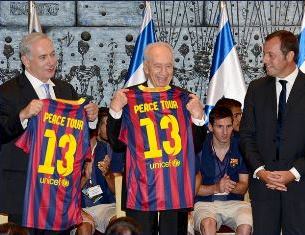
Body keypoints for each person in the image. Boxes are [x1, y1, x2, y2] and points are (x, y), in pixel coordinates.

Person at [0, 32, 98, 233]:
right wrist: (23, 115)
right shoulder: (7, 92)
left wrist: (91, 118)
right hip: (25, 190)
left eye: (53, 55)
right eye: (43, 57)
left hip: (60, 189)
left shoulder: (65, 89)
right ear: (26, 61)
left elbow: (78, 133)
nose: (51, 62)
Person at [107, 42, 207, 235]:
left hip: (174, 187)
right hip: (140, 188)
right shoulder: (128, 97)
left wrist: (198, 118)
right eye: (157, 66)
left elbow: (195, 146)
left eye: (168, 66)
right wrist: (115, 111)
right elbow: (117, 145)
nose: (164, 72)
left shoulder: (184, 98)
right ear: (146, 68)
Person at [240, 30, 305, 235]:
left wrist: (293, 173)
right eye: (264, 54)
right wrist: (261, 171)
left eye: (270, 55)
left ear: (289, 56)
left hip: (302, 187)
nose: (264, 60)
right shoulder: (256, 88)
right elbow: (246, 136)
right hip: (263, 187)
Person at [193, 106, 252, 235]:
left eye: (229, 126)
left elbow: (243, 187)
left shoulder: (241, 145)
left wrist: (230, 186)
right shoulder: (199, 146)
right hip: (205, 203)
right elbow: (193, 189)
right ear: (210, 127)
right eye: (219, 126)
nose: (225, 132)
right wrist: (216, 187)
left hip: (235, 202)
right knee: (208, 224)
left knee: (246, 226)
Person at [74, 107, 122, 235]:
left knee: (119, 223)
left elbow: (117, 192)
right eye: (107, 124)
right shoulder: (76, 149)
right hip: (80, 207)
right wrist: (85, 176)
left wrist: (107, 174)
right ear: (98, 127)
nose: (111, 128)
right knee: (84, 227)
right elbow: (66, 193)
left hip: (106, 206)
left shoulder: (113, 150)